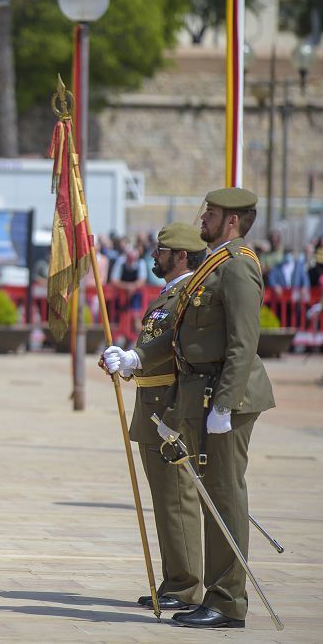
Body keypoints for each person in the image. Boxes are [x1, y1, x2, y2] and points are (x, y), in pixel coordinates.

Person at [103, 188, 275, 629]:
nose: (204, 219)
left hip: (224, 396)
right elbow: (182, 330)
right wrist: (138, 357)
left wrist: (226, 403)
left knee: (225, 499)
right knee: (214, 495)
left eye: (212, 214)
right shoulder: (216, 264)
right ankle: (215, 594)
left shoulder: (237, 267)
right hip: (203, 394)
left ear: (232, 221)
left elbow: (243, 342)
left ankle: (228, 602)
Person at [103, 223, 206, 612]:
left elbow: (178, 348)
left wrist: (136, 360)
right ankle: (175, 580)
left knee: (176, 499)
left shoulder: (188, 294)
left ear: (181, 255)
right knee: (165, 502)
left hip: (170, 408)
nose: (153, 255)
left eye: (161, 250)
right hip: (152, 403)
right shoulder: (170, 294)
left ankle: (185, 587)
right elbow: (155, 346)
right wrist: (128, 365)